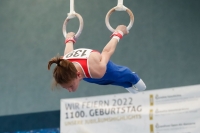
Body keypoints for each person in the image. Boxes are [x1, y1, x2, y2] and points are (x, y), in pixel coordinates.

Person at [48, 25, 146, 93]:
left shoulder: (97, 69)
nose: (69, 90)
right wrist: (69, 39)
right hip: (86, 73)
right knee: (103, 81)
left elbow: (107, 51)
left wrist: (118, 33)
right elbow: (68, 49)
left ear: (78, 75)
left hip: (103, 67)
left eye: (70, 86)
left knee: (120, 77)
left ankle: (132, 78)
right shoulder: (66, 63)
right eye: (66, 88)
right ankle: (126, 84)